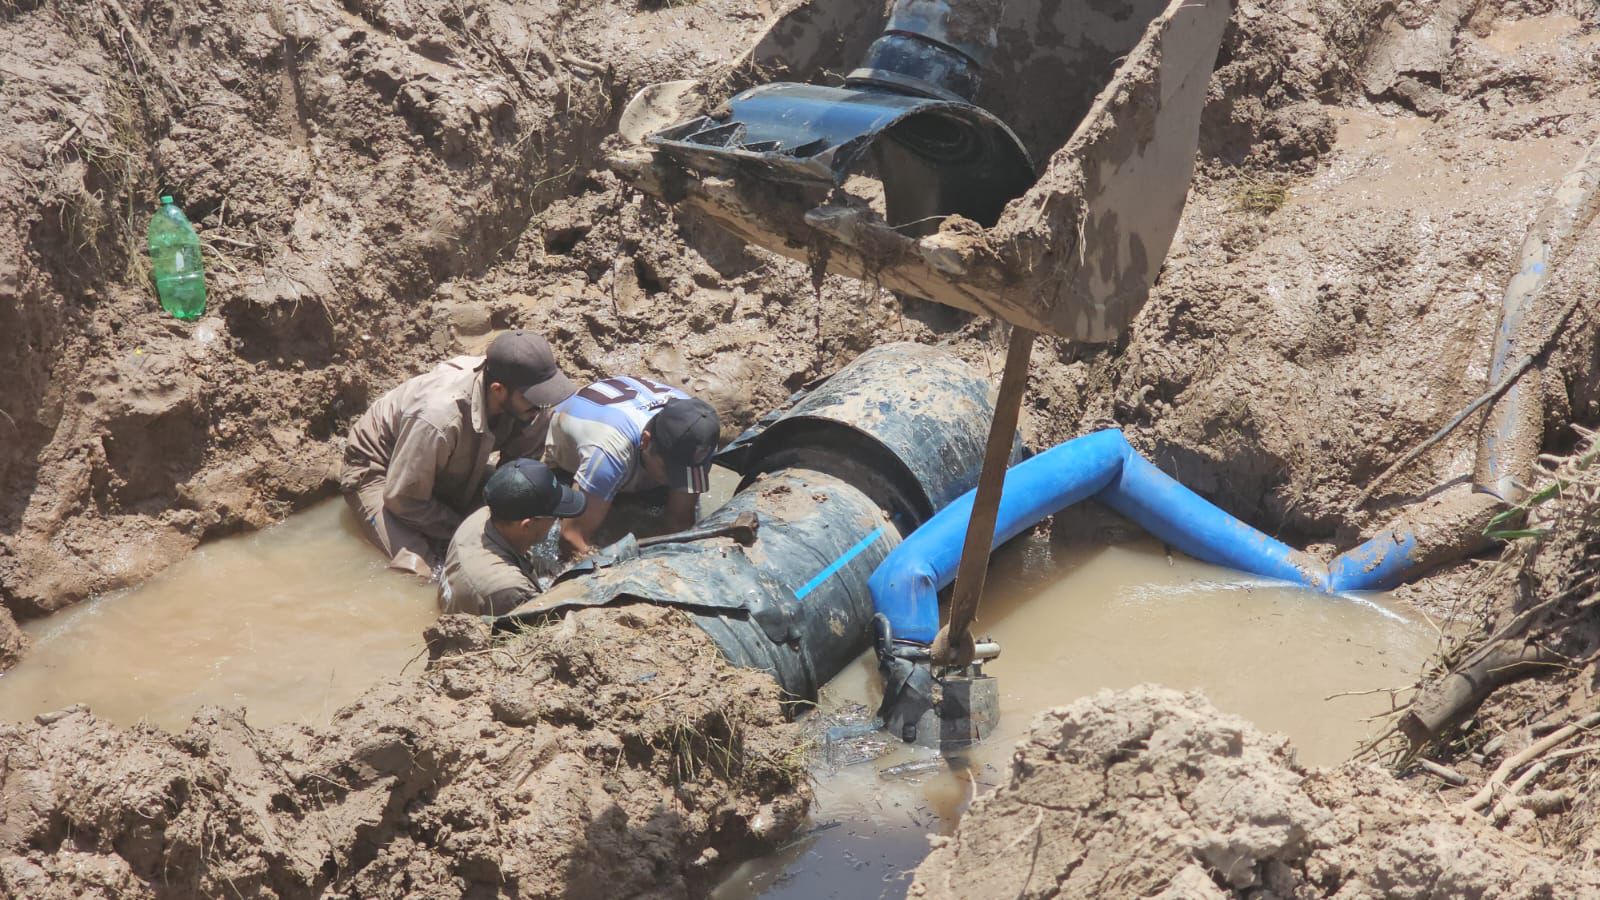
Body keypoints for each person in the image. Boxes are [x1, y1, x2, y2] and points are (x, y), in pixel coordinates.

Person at [340, 330, 576, 577]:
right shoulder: (439, 417)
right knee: (423, 570)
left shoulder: (531, 405)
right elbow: (402, 498)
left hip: (442, 457)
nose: (542, 406)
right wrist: (465, 530)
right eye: (535, 399)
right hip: (380, 468)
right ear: (498, 390)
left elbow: (518, 476)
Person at [543, 376, 720, 558]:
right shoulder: (608, 452)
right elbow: (572, 538)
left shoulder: (699, 430)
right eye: (671, 472)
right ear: (646, 441)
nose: (677, 482)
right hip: (570, 459)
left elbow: (679, 522)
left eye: (686, 473)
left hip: (630, 434)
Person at [437, 458, 586, 616]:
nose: (558, 521)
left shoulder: (479, 518)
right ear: (526, 525)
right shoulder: (510, 589)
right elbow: (539, 631)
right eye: (555, 516)